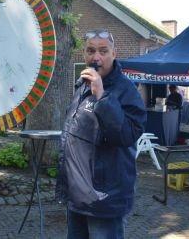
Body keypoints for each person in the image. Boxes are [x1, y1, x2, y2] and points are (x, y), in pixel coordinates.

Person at [56, 29, 146, 239]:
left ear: (114, 54)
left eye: (103, 51)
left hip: (104, 198)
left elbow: (127, 135)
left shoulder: (126, 90)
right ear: (84, 55)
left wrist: (102, 96)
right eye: (91, 51)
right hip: (77, 194)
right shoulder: (82, 86)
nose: (96, 57)